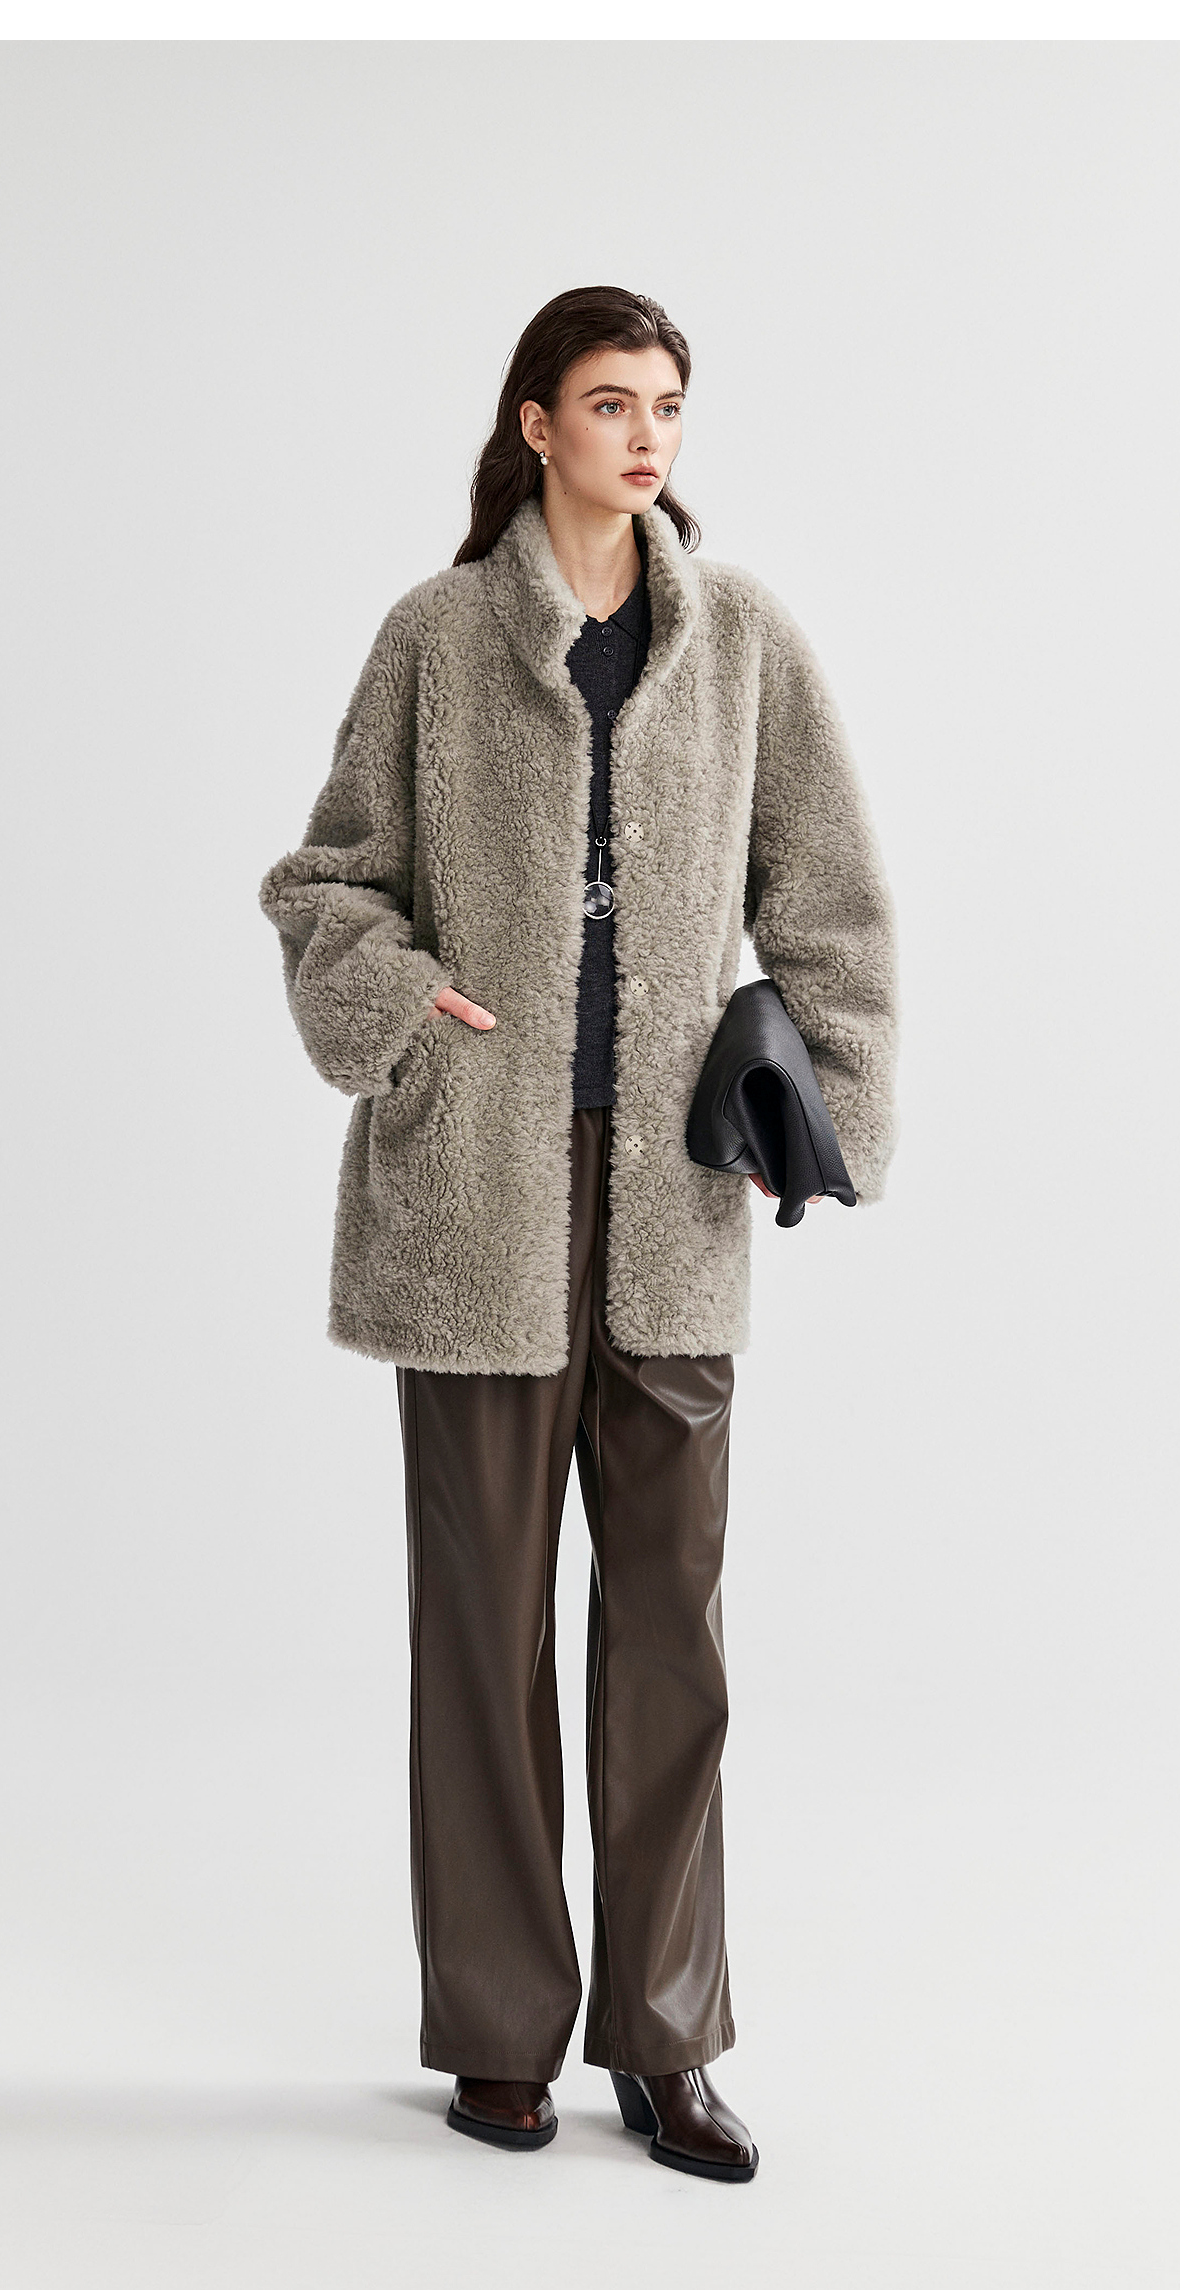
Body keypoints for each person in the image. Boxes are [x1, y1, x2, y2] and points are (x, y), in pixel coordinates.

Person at [259, 285, 899, 2181]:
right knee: (481, 1629)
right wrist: (404, 1004)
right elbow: (327, 881)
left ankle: (667, 2038)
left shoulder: (742, 639)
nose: (646, 436)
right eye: (611, 403)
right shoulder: (438, 636)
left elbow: (833, 901)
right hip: (478, 1190)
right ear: (535, 423)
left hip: (673, 1196)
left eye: (668, 406)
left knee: (670, 1629)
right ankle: (497, 2029)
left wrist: (822, 1110)